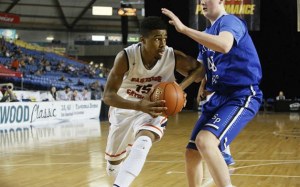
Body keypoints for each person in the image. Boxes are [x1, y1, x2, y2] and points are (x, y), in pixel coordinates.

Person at [162, 1, 263, 186]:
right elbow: (200, 72)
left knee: (205, 142)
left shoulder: (230, 22)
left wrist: (184, 29)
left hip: (241, 95)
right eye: (200, 1)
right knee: (192, 153)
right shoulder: (207, 35)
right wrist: (178, 88)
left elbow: (224, 45)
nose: (202, 3)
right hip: (219, 97)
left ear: (221, 1)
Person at [102, 16, 202, 187]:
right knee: (113, 165)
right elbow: (108, 96)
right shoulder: (126, 57)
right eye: (157, 39)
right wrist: (138, 105)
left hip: (155, 107)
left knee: (144, 142)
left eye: (165, 38)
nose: (162, 44)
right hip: (126, 107)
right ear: (143, 40)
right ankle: (116, 174)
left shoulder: (172, 56)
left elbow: (200, 70)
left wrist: (179, 88)